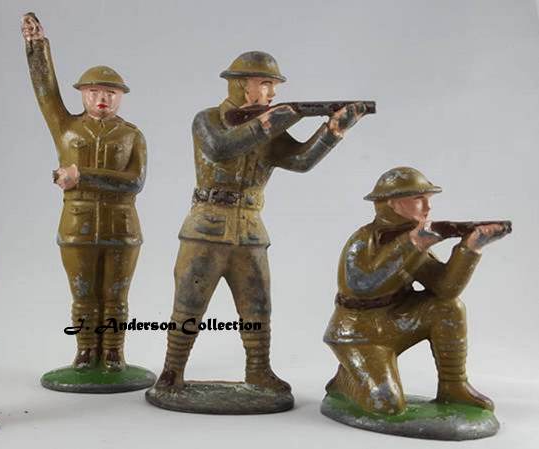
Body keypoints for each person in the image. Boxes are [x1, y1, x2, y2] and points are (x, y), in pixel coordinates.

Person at [154, 51, 367, 392]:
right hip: (206, 228)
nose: (273, 92)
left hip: (250, 231)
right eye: (266, 83)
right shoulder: (207, 119)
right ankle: (172, 371)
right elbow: (221, 148)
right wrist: (268, 123)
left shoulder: (270, 126)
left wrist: (333, 130)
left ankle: (258, 370)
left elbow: (300, 161)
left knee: (257, 307)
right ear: (242, 85)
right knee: (188, 304)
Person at [323, 166, 509, 415]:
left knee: (448, 308)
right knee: (386, 405)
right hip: (357, 333)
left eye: (428, 199)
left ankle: (453, 384)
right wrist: (413, 243)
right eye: (419, 198)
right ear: (394, 203)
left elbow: (445, 289)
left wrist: (470, 248)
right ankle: (347, 381)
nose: (428, 207)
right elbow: (362, 284)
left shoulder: (415, 240)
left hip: (397, 320)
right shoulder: (363, 240)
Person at [22, 13, 146, 371]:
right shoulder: (67, 128)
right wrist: (36, 46)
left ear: (120, 97)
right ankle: (86, 350)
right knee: (82, 296)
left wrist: (81, 175)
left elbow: (135, 182)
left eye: (110, 93)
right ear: (82, 94)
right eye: (94, 92)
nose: (102, 99)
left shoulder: (131, 135)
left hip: (122, 228)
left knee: (116, 298)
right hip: (77, 226)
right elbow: (45, 92)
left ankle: (114, 352)